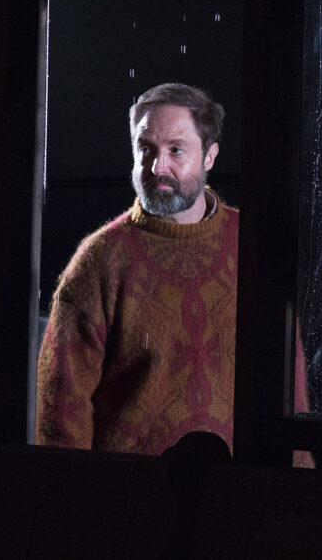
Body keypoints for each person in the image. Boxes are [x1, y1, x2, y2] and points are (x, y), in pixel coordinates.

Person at [35, 83, 241, 454]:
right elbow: (62, 410)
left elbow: (288, 384)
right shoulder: (99, 260)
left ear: (210, 156)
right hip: (127, 487)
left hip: (239, 485)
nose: (158, 167)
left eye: (176, 150)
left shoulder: (251, 245)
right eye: (146, 149)